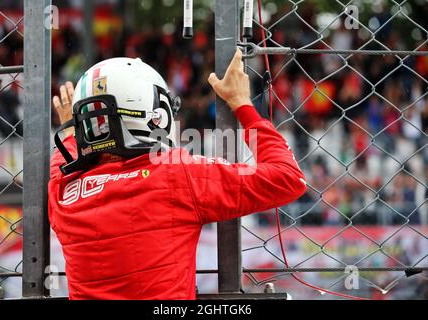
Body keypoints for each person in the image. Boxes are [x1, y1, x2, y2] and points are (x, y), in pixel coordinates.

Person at [49, 49, 307, 300]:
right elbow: (288, 178)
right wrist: (242, 104)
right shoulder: (178, 175)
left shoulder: (64, 192)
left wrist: (73, 131)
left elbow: (62, 161)